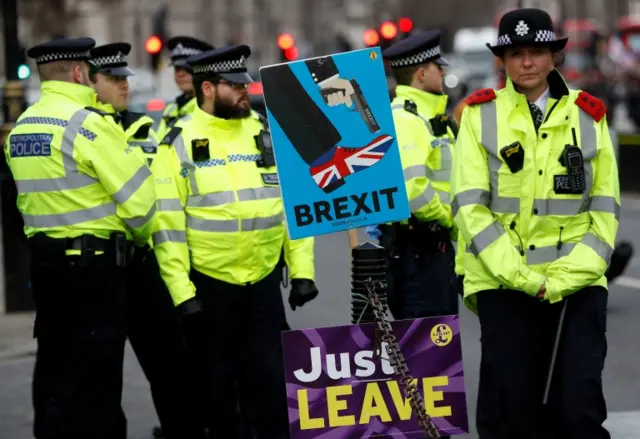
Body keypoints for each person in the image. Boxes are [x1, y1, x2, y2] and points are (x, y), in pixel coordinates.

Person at [452, 8, 618, 438]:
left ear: (554, 57)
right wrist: (524, 278)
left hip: (577, 285)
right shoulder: (476, 116)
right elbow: (472, 208)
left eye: (538, 52)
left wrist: (563, 279)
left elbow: (605, 212)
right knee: (512, 413)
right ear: (502, 62)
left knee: (579, 409)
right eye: (517, 53)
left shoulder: (590, 116)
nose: (528, 62)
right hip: (504, 284)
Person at [152, 44, 318, 438]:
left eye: (246, 83)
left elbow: (293, 207)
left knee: (273, 393)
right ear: (208, 88)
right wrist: (182, 293)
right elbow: (167, 226)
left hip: (262, 286)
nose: (246, 90)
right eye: (235, 85)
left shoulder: (265, 133)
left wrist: (303, 271)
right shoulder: (177, 142)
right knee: (219, 397)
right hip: (210, 291)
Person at [5, 37, 156, 439]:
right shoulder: (87, 122)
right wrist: (135, 236)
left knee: (54, 373)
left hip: (47, 268)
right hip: (96, 271)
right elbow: (141, 205)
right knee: (97, 383)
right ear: (78, 72)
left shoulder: (23, 125)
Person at [88, 42, 207, 439]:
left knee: (171, 367)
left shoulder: (144, 126)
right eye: (114, 79)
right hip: (100, 267)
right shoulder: (84, 129)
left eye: (125, 78)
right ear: (90, 83)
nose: (124, 85)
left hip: (144, 263)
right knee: (101, 374)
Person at [369, 30, 459, 322]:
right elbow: (413, 191)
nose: (443, 70)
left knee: (438, 350)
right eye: (438, 66)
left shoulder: (430, 119)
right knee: (428, 352)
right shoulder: (406, 120)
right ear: (421, 73)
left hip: (431, 249)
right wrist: (451, 218)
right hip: (417, 252)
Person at [156, 36, 214, 140]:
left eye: (187, 68)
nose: (180, 74)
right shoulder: (171, 110)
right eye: (177, 68)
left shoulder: (211, 108)